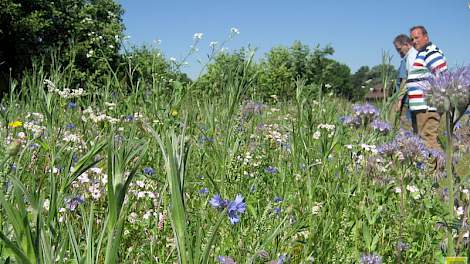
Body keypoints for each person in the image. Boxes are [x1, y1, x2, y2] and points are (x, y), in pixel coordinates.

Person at [406, 25, 447, 150]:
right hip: (420, 107)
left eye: (417, 38)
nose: (414, 42)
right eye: (412, 39)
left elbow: (443, 76)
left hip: (427, 107)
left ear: (426, 37)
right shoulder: (422, 53)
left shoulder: (431, 52)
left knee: (428, 140)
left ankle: (442, 169)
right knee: (424, 140)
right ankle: (438, 168)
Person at [393, 34, 418, 130]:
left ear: (407, 44)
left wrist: (399, 101)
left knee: (405, 129)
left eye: (399, 49)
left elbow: (405, 80)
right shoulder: (416, 56)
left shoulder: (408, 59)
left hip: (406, 101)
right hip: (412, 100)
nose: (399, 52)